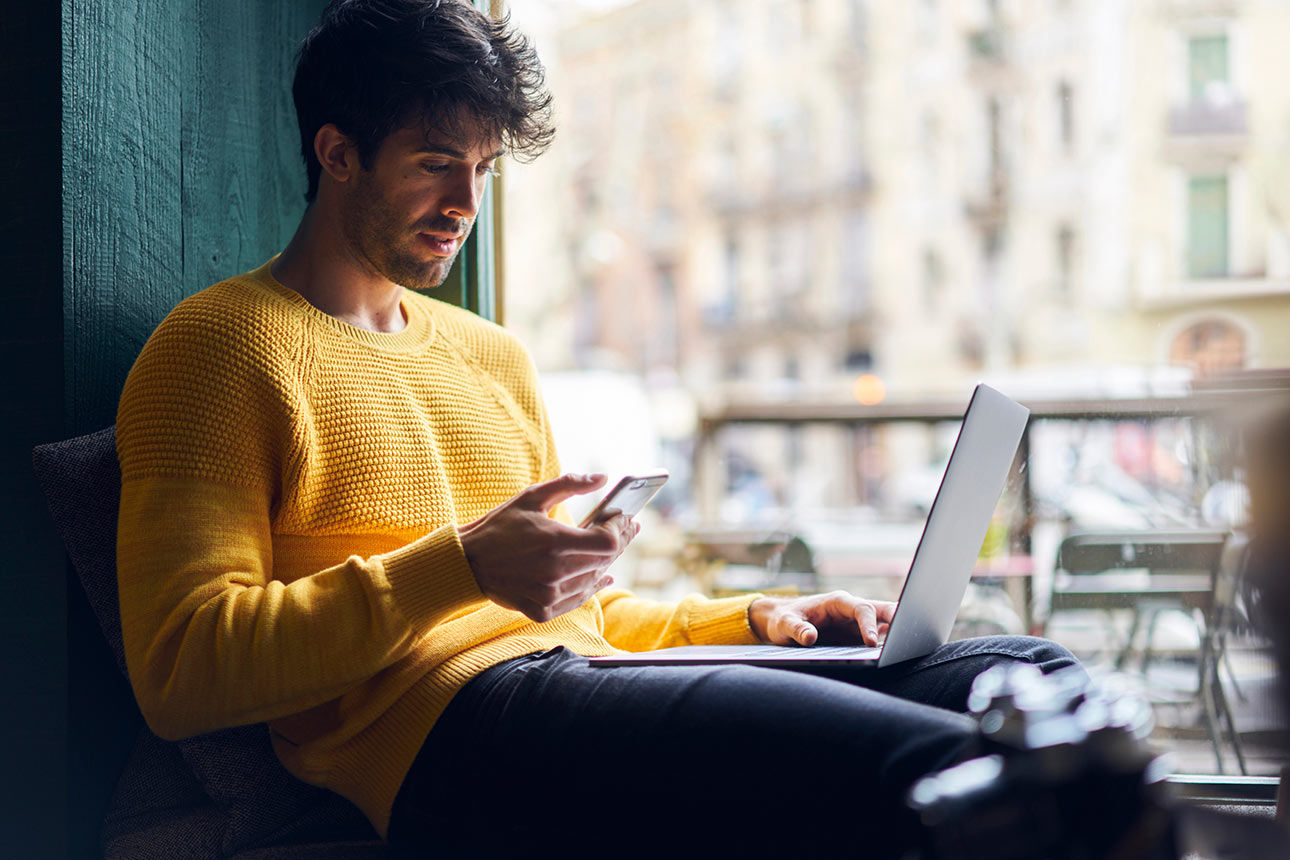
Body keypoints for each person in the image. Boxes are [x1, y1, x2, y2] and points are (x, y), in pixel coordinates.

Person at [114, 1, 1080, 856]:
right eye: (434, 164)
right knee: (953, 764)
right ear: (336, 153)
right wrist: (462, 569)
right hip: (452, 746)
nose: (465, 205)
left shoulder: (490, 354)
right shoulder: (219, 347)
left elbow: (580, 619)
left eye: (483, 169)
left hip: (568, 683)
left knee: (1030, 679)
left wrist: (749, 619)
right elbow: (182, 668)